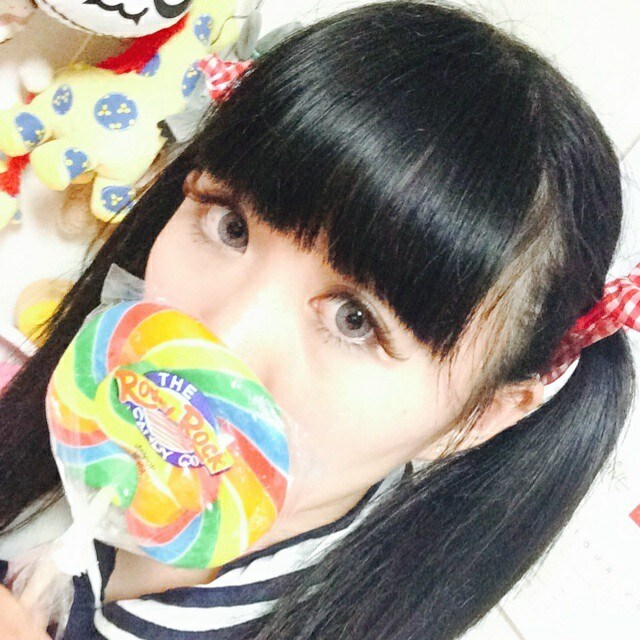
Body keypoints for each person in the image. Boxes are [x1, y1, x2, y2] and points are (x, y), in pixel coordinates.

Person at [0, 1, 636, 638]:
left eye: (356, 320)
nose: (224, 335)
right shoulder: (53, 424)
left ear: (484, 414)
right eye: (230, 226)